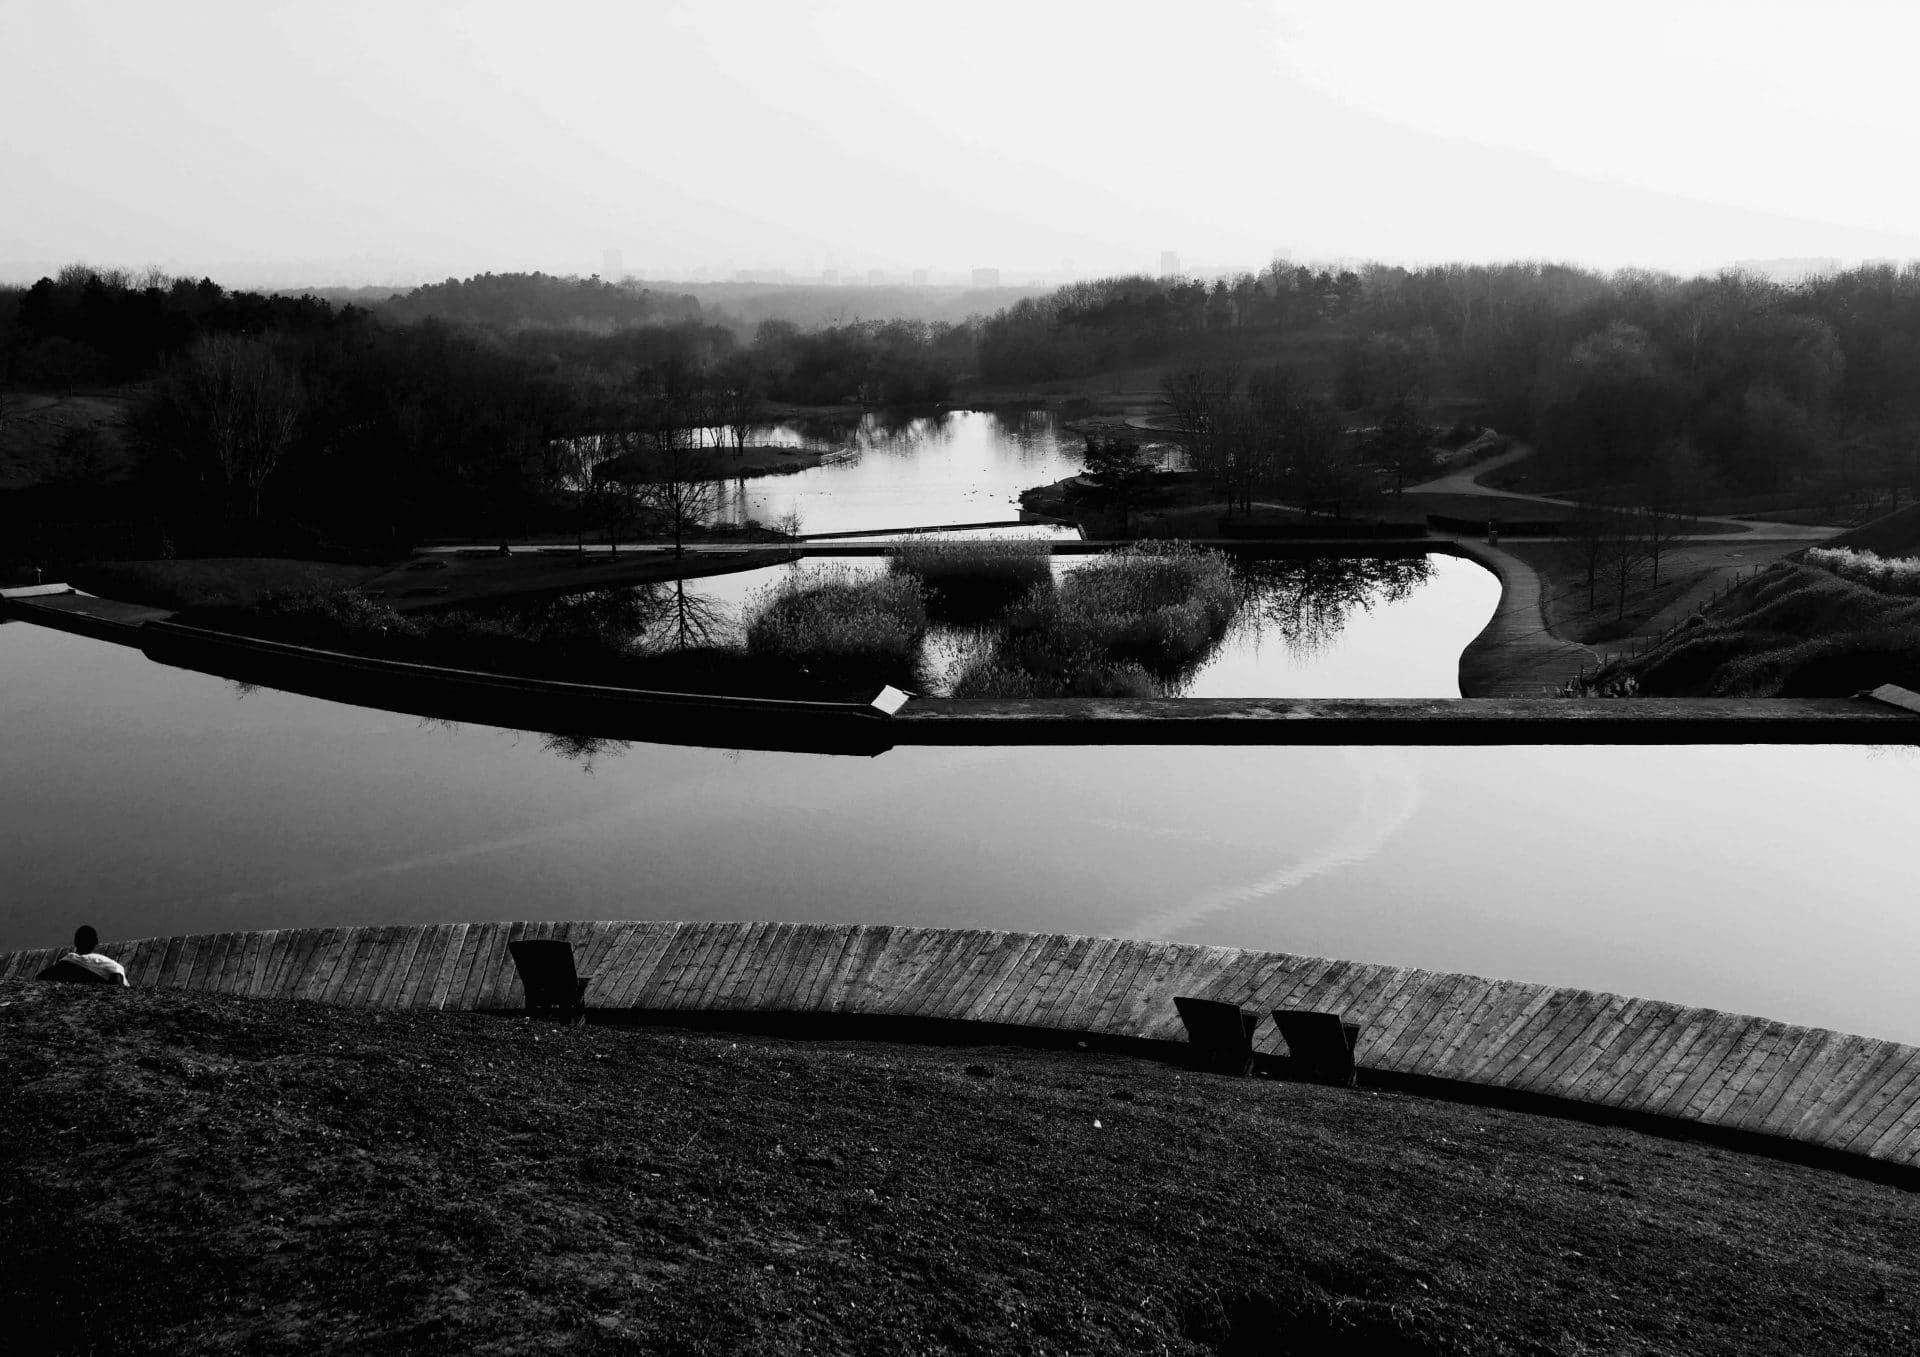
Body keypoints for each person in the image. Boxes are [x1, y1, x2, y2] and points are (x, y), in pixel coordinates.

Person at [35, 925, 129, 986]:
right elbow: (118, 977)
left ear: (76, 942)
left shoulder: (70, 961)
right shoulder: (108, 962)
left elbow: (42, 976)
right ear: (96, 943)